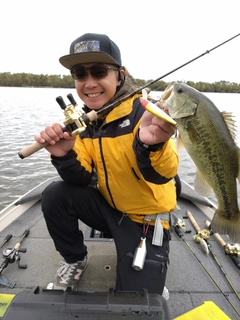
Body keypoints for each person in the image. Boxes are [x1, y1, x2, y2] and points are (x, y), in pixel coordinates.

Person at [36, 33, 179, 295]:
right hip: (109, 210)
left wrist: (151, 146)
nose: (89, 83)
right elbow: (80, 178)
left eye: (99, 71)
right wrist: (63, 155)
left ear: (120, 75)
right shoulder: (86, 122)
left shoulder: (146, 112)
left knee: (136, 302)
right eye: (80, 74)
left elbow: (165, 174)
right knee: (55, 194)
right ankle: (75, 259)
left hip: (144, 220)